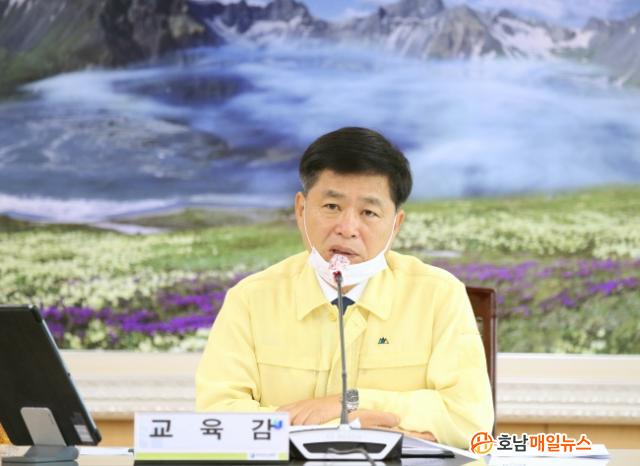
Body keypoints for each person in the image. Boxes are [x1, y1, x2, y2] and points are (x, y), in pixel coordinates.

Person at [196, 127, 494, 448]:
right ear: (301, 209)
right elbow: (217, 416)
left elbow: (469, 421)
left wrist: (349, 403)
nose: (348, 228)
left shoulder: (439, 295)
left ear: (395, 225)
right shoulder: (250, 299)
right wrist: (350, 428)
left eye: (369, 212)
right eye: (332, 207)